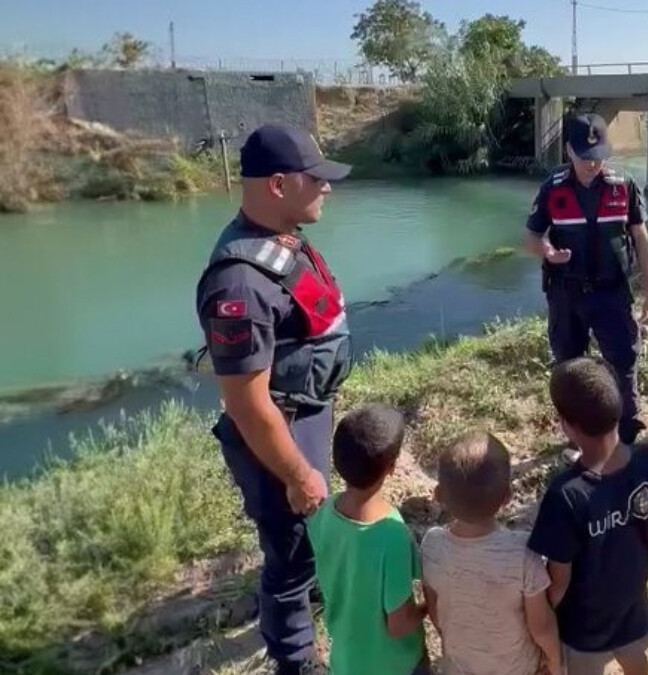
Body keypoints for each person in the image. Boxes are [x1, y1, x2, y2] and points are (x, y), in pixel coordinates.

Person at [194, 123, 353, 674]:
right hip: (274, 437)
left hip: (303, 415)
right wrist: (297, 473)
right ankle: (296, 658)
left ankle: (307, 600)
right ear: (280, 185)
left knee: (307, 539)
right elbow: (246, 404)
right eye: (318, 180)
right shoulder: (238, 285)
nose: (328, 189)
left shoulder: (282, 236)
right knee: (288, 556)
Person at [527, 357, 648, 675]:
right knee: (635, 655)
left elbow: (559, 581)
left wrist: (543, 619)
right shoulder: (647, 460)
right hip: (632, 602)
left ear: (566, 425)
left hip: (583, 628)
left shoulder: (566, 494)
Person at [524, 113, 648, 447]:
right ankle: (579, 438)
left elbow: (641, 240)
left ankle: (627, 432)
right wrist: (547, 251)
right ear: (568, 150)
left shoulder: (623, 185)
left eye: (600, 155)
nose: (593, 164)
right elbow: (531, 237)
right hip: (566, 294)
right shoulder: (551, 188)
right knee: (571, 367)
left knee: (623, 360)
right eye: (585, 157)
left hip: (611, 293)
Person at [420, 431, 563, 675]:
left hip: (459, 666)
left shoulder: (432, 546)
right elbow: (540, 626)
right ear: (507, 496)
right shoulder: (523, 552)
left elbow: (436, 612)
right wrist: (554, 661)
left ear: (438, 495)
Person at [306, 404, 428, 674]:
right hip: (397, 665)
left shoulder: (322, 514)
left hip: (347, 663)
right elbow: (399, 624)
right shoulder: (392, 534)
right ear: (392, 468)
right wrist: (429, 606)